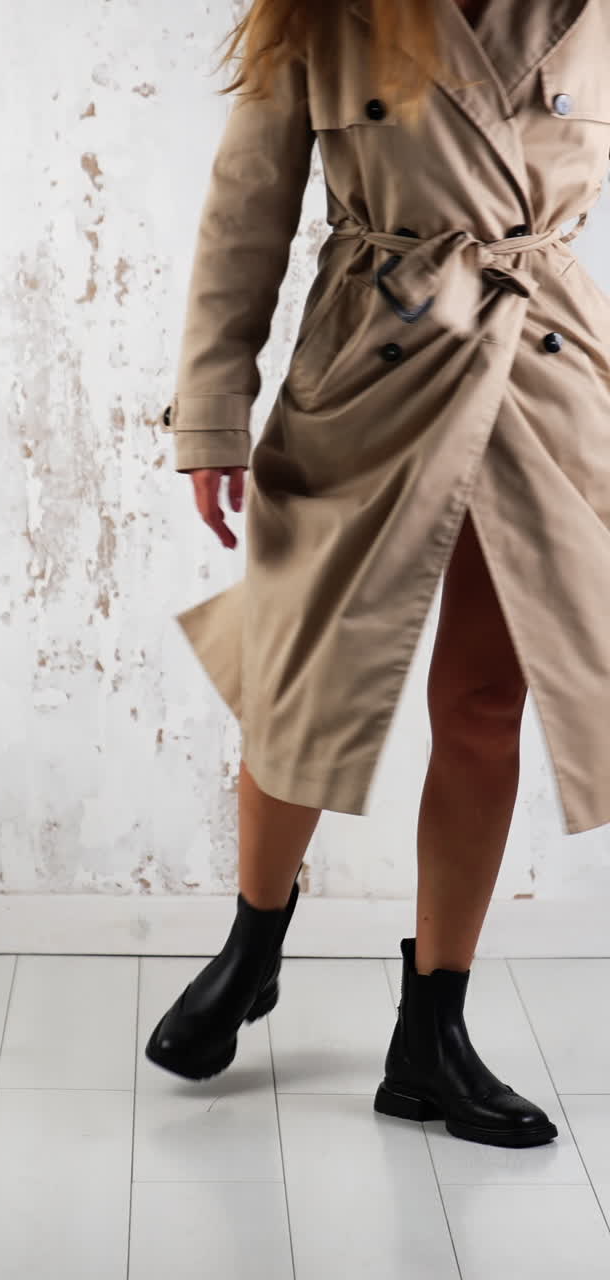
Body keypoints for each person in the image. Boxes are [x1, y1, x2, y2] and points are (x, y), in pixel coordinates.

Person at [147, 0, 610, 1149]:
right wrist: (211, 415)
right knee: (303, 677)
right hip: (370, 361)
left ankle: (432, 1034)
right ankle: (253, 941)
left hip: (541, 371)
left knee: (487, 702)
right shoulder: (329, 8)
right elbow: (247, 208)